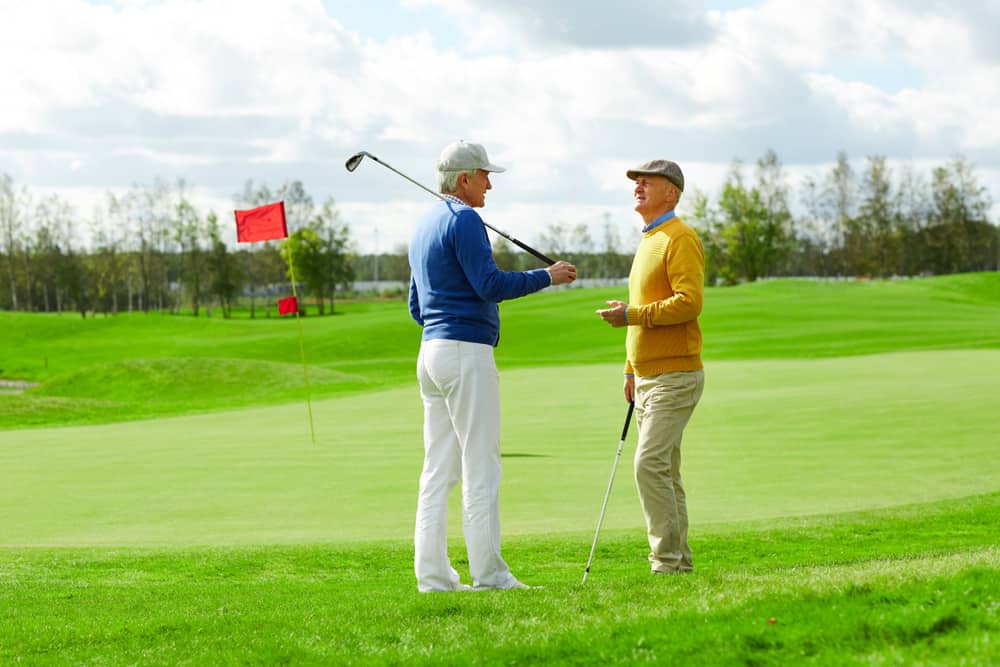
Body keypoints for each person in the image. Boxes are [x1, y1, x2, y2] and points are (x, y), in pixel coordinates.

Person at [408, 140, 577, 592]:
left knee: (438, 468)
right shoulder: (465, 219)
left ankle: (434, 578)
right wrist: (548, 276)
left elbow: (415, 306)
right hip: (464, 352)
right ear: (464, 178)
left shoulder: (425, 223)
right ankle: (490, 575)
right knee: (481, 465)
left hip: (431, 353)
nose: (489, 184)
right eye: (485, 176)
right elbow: (489, 284)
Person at [596, 159, 705, 575]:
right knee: (665, 471)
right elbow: (640, 306)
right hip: (646, 376)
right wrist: (629, 369)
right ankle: (678, 563)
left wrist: (632, 316)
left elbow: (689, 302)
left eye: (648, 181)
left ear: (671, 193)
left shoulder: (680, 238)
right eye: (635, 182)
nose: (637, 186)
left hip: (676, 374)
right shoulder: (649, 239)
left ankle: (665, 563)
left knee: (649, 464)